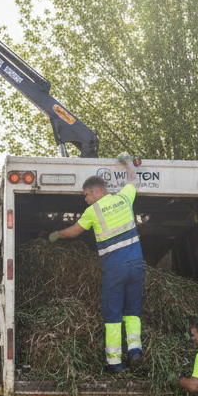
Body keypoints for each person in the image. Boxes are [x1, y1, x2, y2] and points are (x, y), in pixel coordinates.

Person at [47, 152, 144, 373]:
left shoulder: (93, 211)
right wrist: (128, 162)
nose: (85, 199)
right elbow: (133, 180)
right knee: (132, 310)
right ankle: (135, 351)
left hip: (115, 268)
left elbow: (74, 232)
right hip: (137, 265)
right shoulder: (124, 198)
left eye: (86, 195)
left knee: (112, 313)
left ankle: (115, 362)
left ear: (96, 191)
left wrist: (55, 235)